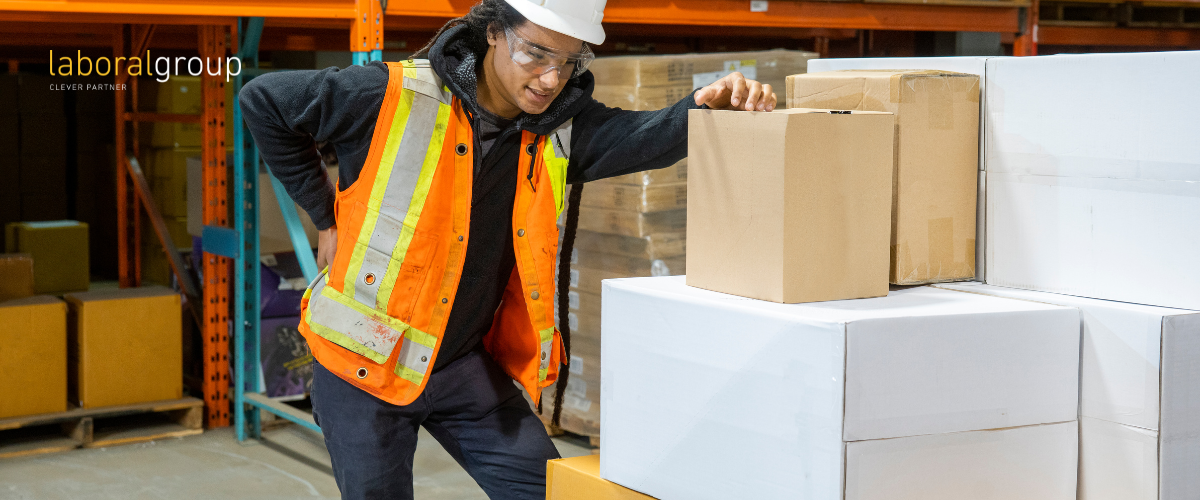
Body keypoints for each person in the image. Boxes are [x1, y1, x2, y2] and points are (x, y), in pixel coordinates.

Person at [239, 0, 776, 498]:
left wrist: (707, 109)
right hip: (361, 362)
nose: (550, 78)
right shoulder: (386, 96)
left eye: (570, 62)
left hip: (456, 363)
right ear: (493, 30)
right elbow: (262, 101)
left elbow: (645, 137)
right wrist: (324, 213)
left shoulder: (558, 129)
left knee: (549, 491)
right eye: (535, 53)